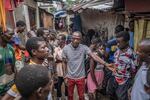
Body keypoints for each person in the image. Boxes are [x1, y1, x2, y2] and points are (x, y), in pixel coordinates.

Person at [62, 31, 112, 100]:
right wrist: (65, 76)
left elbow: (94, 56)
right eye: (74, 38)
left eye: (78, 39)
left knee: (81, 96)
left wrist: (105, 64)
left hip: (81, 77)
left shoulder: (84, 48)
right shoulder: (66, 48)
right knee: (70, 95)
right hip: (70, 77)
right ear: (71, 38)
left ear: (81, 39)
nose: (76, 40)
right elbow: (64, 62)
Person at [106, 31, 138, 100]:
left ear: (127, 42)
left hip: (124, 80)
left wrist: (132, 84)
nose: (117, 44)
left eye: (119, 42)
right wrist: (114, 65)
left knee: (121, 97)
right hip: (114, 77)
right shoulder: (118, 50)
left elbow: (134, 70)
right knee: (110, 93)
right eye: (116, 41)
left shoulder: (131, 55)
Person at [0, 29, 15, 96]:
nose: (12, 37)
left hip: (10, 87)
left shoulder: (11, 49)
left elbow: (13, 67)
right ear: (2, 34)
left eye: (13, 35)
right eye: (10, 34)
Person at [54, 34, 68, 100]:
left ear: (64, 40)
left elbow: (69, 60)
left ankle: (66, 97)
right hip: (58, 71)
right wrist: (62, 60)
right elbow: (54, 60)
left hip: (67, 71)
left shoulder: (68, 48)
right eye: (58, 39)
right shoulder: (56, 49)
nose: (58, 41)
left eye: (59, 39)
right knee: (58, 86)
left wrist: (59, 59)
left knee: (67, 85)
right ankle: (59, 97)